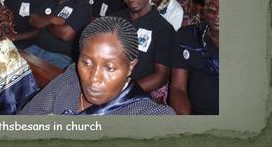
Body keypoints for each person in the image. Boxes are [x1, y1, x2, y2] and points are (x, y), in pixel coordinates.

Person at [20, 17, 175, 115]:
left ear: (130, 67)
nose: (93, 78)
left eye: (109, 68)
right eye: (86, 63)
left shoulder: (150, 115)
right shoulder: (71, 76)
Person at [112, 0, 175, 103]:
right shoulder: (115, 19)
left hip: (137, 92)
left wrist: (124, 93)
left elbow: (161, 76)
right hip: (109, 80)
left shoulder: (163, 28)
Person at [27, 0, 92, 69]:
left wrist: (44, 22)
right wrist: (52, 19)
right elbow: (32, 20)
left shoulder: (83, 6)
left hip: (61, 56)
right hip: (37, 47)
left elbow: (65, 34)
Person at [169, 0, 219, 115]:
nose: (217, 15)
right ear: (203, 9)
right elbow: (177, 88)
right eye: (212, 9)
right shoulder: (186, 36)